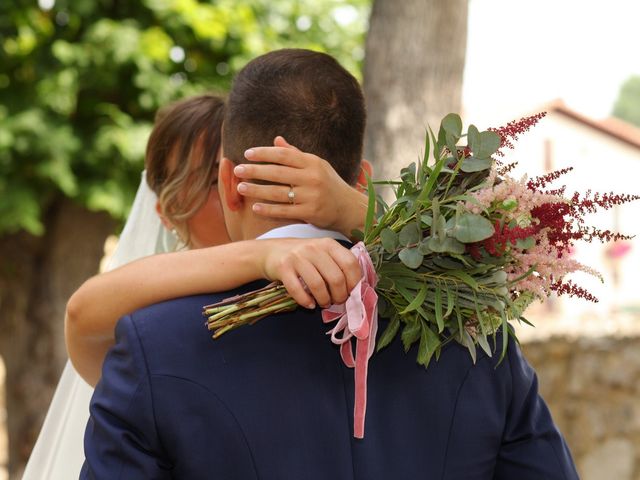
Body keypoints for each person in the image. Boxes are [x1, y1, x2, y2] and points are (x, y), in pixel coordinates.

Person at [82, 49, 579, 479]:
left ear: (229, 183)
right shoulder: (478, 339)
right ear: (360, 180)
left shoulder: (152, 348)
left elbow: (81, 317)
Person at [22, 94, 369, 479]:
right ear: (167, 213)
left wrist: (355, 212)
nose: (242, 191)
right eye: (215, 179)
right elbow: (82, 312)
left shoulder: (344, 280)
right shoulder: (149, 328)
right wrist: (262, 254)